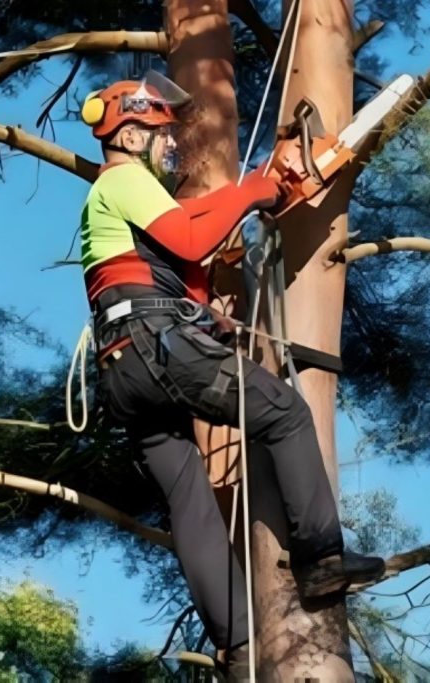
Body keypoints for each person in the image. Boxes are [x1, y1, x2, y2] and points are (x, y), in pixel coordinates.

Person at [78, 71, 385, 677]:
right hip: (153, 346)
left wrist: (209, 310)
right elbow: (190, 239)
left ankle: (238, 646)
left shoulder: (118, 210)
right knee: (284, 413)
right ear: (131, 134)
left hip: (123, 370)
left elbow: (174, 273)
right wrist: (253, 189)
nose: (171, 147)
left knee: (189, 499)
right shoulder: (124, 181)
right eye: (162, 135)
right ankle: (321, 559)